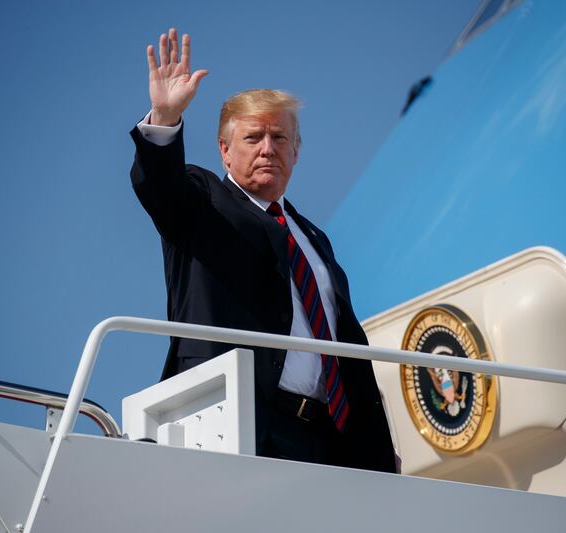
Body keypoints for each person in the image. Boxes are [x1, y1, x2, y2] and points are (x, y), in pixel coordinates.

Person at [129, 28, 396, 473]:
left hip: (330, 439)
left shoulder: (313, 239)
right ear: (225, 151)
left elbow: (342, 340)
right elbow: (159, 185)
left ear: (297, 152)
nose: (268, 149)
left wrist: (375, 444)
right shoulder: (201, 202)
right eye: (253, 138)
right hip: (239, 423)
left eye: (280, 138)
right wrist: (164, 118)